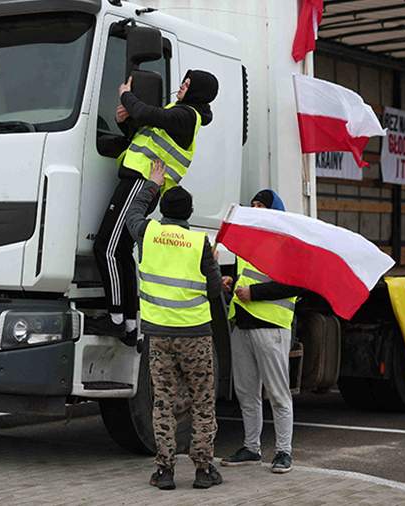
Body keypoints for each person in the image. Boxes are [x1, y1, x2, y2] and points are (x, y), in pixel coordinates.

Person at [90, 70, 219, 343]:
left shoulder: (187, 116)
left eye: (187, 84)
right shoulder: (179, 112)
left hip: (141, 182)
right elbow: (145, 133)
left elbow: (150, 115)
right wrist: (124, 120)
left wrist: (126, 95)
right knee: (121, 250)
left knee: (107, 247)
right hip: (138, 180)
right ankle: (127, 323)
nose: (181, 87)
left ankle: (114, 319)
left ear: (197, 92)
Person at [125, 159, 223, 490]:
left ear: (163, 209)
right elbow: (212, 291)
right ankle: (203, 469)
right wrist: (213, 266)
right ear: (190, 213)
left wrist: (152, 182)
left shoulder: (148, 233)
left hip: (159, 335)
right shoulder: (200, 245)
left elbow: (132, 213)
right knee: (202, 400)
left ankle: (165, 471)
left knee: (163, 402)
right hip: (195, 335)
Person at [219, 190, 303, 474]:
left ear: (275, 210)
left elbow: (294, 285)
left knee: (278, 394)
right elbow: (247, 277)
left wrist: (253, 292)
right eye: (253, 204)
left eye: (261, 205)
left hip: (271, 328)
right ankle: (251, 448)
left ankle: (283, 452)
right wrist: (231, 281)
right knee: (246, 393)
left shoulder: (287, 244)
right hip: (242, 326)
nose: (255, 208)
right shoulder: (250, 242)